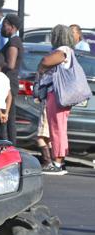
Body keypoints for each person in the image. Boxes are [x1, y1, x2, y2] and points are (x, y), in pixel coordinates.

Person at [36, 25, 76, 175]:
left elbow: (46, 61)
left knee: (57, 129)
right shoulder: (68, 51)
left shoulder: (63, 50)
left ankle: (58, 163)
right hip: (60, 95)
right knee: (59, 129)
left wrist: (41, 66)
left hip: (57, 95)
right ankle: (60, 162)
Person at [0, 13, 23, 144]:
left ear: (12, 27)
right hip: (8, 82)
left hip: (9, 82)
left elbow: (11, 64)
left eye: (5, 25)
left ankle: (10, 144)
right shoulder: (12, 41)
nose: (2, 28)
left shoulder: (14, 42)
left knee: (8, 115)